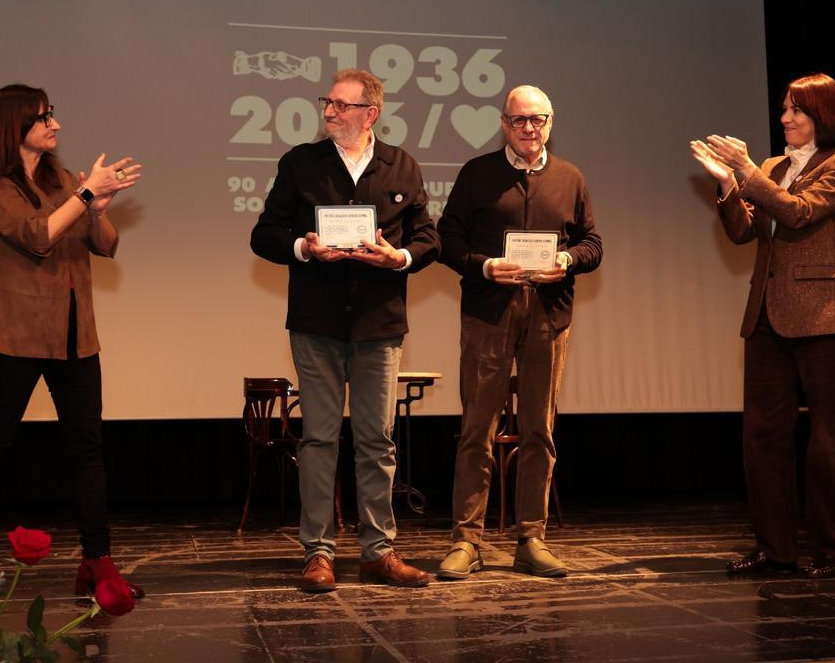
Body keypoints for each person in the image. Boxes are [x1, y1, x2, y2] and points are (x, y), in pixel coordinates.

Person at [250, 68, 440, 593]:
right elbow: (263, 233)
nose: (328, 112)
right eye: (326, 103)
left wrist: (396, 255)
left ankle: (378, 551)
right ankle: (319, 552)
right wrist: (304, 248)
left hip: (380, 325)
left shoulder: (402, 165)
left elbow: (427, 238)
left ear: (369, 113)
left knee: (377, 439)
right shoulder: (300, 163)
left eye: (339, 105)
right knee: (319, 438)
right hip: (316, 324)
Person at [0, 84, 144, 598]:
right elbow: (37, 236)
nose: (55, 125)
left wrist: (99, 207)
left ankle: (97, 562)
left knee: (87, 447)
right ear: (13, 125)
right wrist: (83, 198)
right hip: (13, 333)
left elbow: (104, 247)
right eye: (44, 117)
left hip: (75, 333)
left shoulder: (61, 177)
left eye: (53, 115)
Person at [690, 72, 835, 579]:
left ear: (823, 115)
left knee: (831, 440)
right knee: (763, 437)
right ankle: (775, 547)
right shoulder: (771, 166)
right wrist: (728, 184)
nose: (784, 118)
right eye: (784, 109)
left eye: (796, 110)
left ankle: (834, 549)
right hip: (765, 314)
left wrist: (747, 171)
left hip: (825, 316)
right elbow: (746, 232)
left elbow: (798, 212)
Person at [435, 85, 602, 580]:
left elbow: (593, 243)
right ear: (503, 123)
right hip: (488, 314)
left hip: (549, 316)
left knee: (539, 431)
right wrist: (485, 267)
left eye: (538, 119)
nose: (529, 128)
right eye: (518, 120)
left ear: (551, 122)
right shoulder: (477, 174)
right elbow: (446, 241)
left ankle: (532, 537)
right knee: (476, 431)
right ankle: (467, 540)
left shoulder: (570, 177)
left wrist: (567, 261)